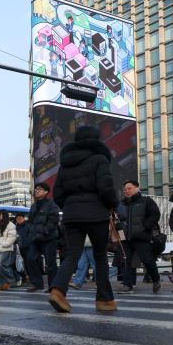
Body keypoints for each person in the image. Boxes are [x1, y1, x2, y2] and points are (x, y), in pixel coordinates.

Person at [49, 126, 119, 313]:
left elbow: (57, 193)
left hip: (72, 216)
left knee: (72, 255)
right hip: (97, 214)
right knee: (100, 256)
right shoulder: (99, 159)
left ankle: (57, 290)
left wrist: (70, 207)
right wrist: (112, 204)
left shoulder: (66, 164)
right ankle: (104, 300)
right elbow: (106, 188)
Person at [117, 180, 161, 294]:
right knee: (126, 261)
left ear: (137, 188)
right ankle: (127, 285)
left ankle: (156, 280)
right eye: (125, 189)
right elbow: (118, 219)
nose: (126, 191)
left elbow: (155, 214)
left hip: (141, 236)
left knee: (147, 260)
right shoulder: (122, 204)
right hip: (126, 237)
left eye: (129, 188)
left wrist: (145, 227)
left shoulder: (146, 201)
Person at [26, 182, 60, 293]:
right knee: (30, 259)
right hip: (35, 238)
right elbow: (30, 221)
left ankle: (52, 286)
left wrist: (45, 231)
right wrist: (31, 232)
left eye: (40, 189)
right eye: (36, 189)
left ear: (46, 191)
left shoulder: (51, 204)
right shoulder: (34, 206)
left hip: (48, 238)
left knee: (50, 263)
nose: (37, 191)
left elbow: (53, 220)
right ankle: (37, 284)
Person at [0, 210, 17, 291]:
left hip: (6, 248)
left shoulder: (10, 225)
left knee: (0, 265)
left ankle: (10, 280)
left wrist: (5, 244)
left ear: (4, 216)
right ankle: (1, 284)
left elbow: (12, 237)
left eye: (0, 215)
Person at [14, 213, 33, 284]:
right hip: (18, 249)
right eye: (17, 218)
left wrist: (27, 244)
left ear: (23, 218)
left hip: (28, 248)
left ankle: (31, 277)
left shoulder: (28, 226)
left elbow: (30, 237)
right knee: (19, 264)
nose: (19, 219)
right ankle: (23, 277)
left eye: (20, 218)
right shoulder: (15, 227)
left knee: (28, 263)